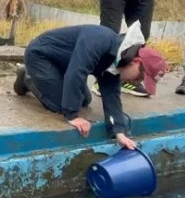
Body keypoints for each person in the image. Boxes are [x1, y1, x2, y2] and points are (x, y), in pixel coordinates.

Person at [13, 22, 168, 150]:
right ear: (137, 62)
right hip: (41, 56)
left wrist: (119, 131)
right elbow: (76, 72)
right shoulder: (99, 40)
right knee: (62, 104)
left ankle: (44, 80)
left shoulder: (118, 59)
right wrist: (72, 115)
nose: (137, 81)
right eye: (140, 77)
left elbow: (111, 95)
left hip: (64, 64)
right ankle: (27, 78)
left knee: (83, 101)